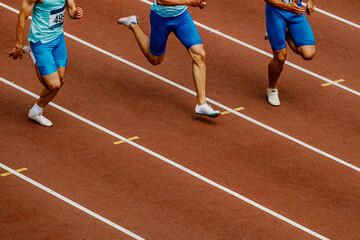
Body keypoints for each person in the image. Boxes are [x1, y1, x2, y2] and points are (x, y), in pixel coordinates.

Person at [117, 0, 220, 118]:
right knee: (155, 60)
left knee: (199, 54)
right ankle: (133, 24)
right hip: (161, 19)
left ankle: (201, 104)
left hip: (182, 17)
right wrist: (190, 2)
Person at [8, 0, 83, 126]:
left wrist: (75, 13)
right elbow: (22, 16)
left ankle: (36, 111)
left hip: (58, 39)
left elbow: (70, 7)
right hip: (41, 42)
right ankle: (34, 55)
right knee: (53, 85)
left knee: (61, 79)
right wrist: (19, 46)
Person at [264, 0, 315, 106]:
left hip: (295, 11)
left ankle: (282, 34)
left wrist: (309, 2)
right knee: (280, 57)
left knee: (308, 54)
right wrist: (287, 6)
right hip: (276, 12)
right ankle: (272, 89)